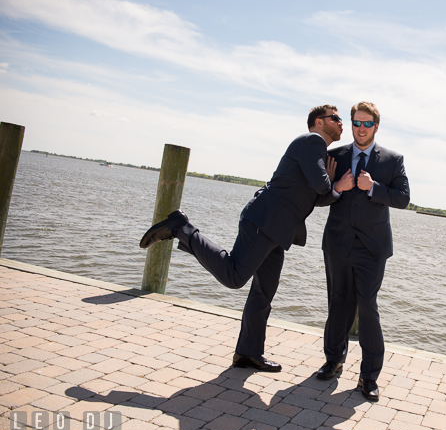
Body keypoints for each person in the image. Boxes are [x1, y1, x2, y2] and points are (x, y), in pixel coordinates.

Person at [139, 105, 344, 372]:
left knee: (262, 294)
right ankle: (182, 228)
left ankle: (248, 353)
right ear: (318, 122)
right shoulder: (311, 142)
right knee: (234, 277)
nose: (341, 124)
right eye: (336, 119)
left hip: (278, 231)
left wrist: (333, 187)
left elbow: (318, 197)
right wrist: (333, 183)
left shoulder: (316, 150)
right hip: (264, 221)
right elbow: (322, 186)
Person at [314, 101, 410, 401]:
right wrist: (336, 188)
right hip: (338, 243)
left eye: (367, 124)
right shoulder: (334, 156)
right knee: (338, 302)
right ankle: (334, 360)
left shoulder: (393, 160)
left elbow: (404, 198)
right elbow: (316, 197)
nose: (361, 128)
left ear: (376, 127)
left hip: (372, 247)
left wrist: (373, 187)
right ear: (352, 124)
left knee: (367, 307)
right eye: (356, 123)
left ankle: (369, 377)